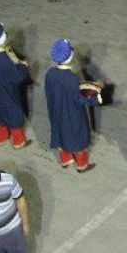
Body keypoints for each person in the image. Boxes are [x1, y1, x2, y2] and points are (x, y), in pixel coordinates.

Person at [44, 39, 101, 173]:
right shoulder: (72, 78)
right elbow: (79, 99)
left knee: (61, 135)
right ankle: (81, 165)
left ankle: (65, 160)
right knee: (78, 137)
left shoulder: (50, 73)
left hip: (57, 113)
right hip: (73, 115)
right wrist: (95, 95)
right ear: (70, 56)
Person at [0, 22, 30, 149]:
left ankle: (1, 138)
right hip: (6, 93)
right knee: (14, 115)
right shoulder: (5, 60)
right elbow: (18, 78)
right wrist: (23, 66)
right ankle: (18, 141)